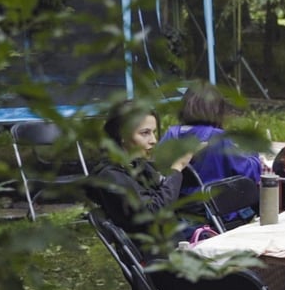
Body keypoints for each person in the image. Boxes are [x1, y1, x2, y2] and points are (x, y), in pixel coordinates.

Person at [89, 101, 199, 245]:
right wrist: (177, 167)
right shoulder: (110, 175)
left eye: (153, 132)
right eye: (145, 133)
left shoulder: (136, 165)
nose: (153, 140)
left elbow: (167, 197)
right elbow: (153, 214)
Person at [160, 80, 263, 224]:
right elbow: (249, 173)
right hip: (216, 216)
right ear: (217, 109)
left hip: (178, 215)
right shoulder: (219, 138)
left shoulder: (171, 134)